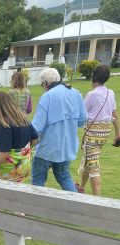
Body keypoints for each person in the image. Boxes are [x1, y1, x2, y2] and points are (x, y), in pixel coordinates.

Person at [31, 67, 87, 192]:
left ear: (45, 83)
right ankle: (77, 205)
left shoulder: (47, 96)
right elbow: (83, 118)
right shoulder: (75, 93)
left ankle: (34, 209)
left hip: (47, 148)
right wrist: (69, 124)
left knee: (38, 180)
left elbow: (37, 126)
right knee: (64, 177)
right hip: (67, 147)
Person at [77, 64, 120, 196]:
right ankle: (82, 187)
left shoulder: (92, 95)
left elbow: (82, 115)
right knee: (89, 160)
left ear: (94, 77)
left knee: (93, 166)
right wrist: (118, 134)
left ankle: (98, 198)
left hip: (92, 134)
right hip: (105, 133)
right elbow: (115, 116)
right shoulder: (110, 93)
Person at [0, 92, 38, 182]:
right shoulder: (23, 119)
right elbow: (35, 139)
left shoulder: (4, 125)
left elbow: (4, 153)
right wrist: (23, 153)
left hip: (9, 169)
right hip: (24, 166)